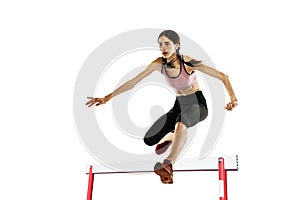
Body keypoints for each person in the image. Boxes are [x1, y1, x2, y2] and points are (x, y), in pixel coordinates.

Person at [86, 30, 238, 184]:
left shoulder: (188, 63)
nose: (163, 47)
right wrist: (106, 98)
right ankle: (173, 136)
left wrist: (233, 98)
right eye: (160, 44)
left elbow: (223, 76)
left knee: (182, 120)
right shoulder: (159, 64)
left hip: (196, 104)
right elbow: (133, 82)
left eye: (167, 44)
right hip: (178, 104)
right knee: (149, 139)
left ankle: (169, 163)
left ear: (176, 45)